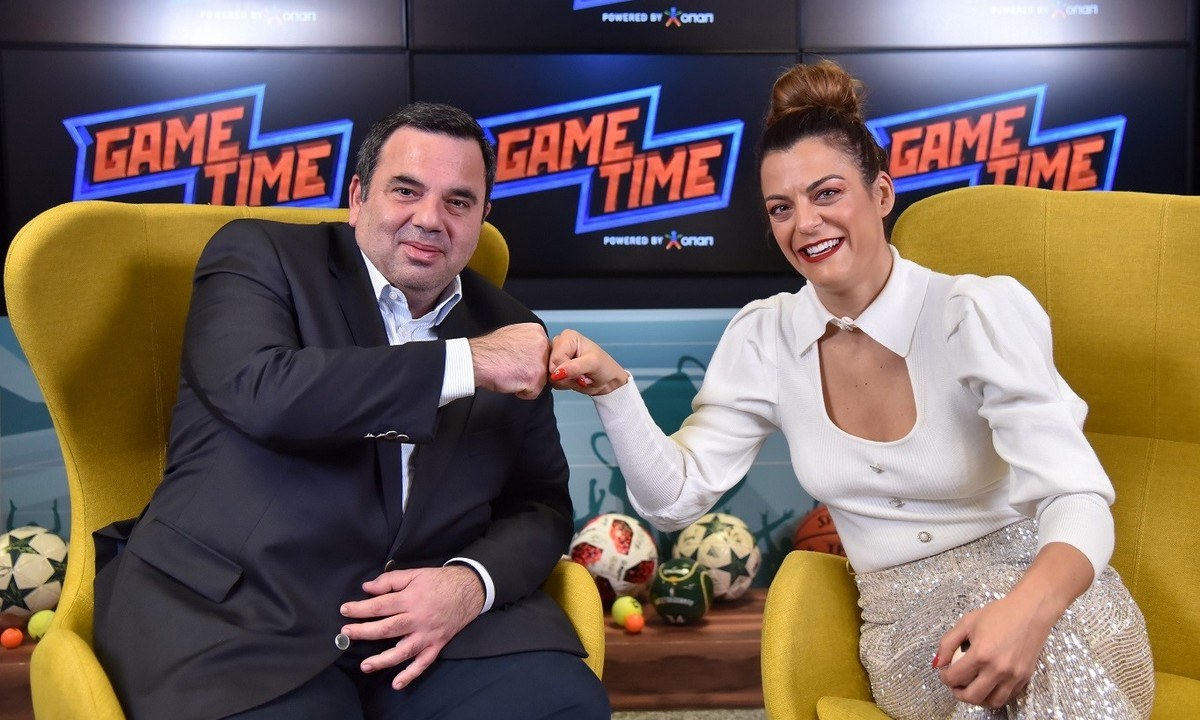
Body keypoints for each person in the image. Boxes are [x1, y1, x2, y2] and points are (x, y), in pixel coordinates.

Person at [548, 60, 1154, 719]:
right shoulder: (766, 337)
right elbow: (673, 500)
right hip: (909, 631)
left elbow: (1076, 496)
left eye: (827, 194)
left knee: (1037, 669)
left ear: (883, 193)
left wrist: (1025, 614)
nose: (804, 223)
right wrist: (614, 390)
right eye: (781, 209)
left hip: (1049, 598)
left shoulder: (973, 313)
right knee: (975, 677)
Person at [92, 102, 610, 720]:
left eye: (458, 201)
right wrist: (467, 362)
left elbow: (539, 503)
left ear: (482, 217)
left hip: (428, 624)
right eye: (406, 190)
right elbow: (263, 391)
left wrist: (470, 582)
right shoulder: (259, 255)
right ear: (359, 197)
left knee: (565, 707)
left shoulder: (511, 326)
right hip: (238, 619)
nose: (430, 219)